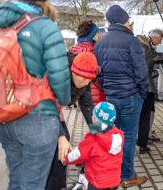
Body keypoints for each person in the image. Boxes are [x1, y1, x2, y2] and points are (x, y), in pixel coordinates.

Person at [0, 0, 71, 189]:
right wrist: (65, 99)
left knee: (16, 182)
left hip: (5, 118)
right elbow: (59, 74)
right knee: (33, 184)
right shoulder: (45, 25)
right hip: (38, 117)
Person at [93, 5, 148, 188]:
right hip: (131, 95)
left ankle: (113, 173)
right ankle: (126, 175)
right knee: (129, 136)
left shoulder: (100, 42)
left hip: (111, 96)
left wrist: (108, 86)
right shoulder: (131, 41)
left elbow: (97, 73)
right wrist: (143, 91)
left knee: (113, 136)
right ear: (125, 20)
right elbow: (141, 71)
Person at [46, 52, 100, 190]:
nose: (85, 84)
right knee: (56, 144)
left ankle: (59, 185)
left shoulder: (85, 78)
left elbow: (88, 107)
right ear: (72, 71)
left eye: (89, 81)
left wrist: (98, 133)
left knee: (63, 147)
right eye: (83, 80)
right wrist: (60, 135)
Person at [66, 101, 124, 190]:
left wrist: (67, 158)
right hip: (114, 181)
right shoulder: (118, 135)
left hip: (97, 182)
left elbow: (79, 154)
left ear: (94, 119)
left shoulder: (93, 139)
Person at [135, 35, 163, 154]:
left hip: (134, 89)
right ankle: (142, 145)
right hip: (148, 88)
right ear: (146, 42)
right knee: (145, 118)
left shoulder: (130, 51)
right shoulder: (149, 52)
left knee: (134, 116)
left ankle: (130, 143)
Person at [69, 19, 105, 106]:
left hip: (79, 92)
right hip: (96, 93)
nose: (99, 35)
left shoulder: (73, 49)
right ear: (92, 35)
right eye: (97, 33)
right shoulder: (97, 51)